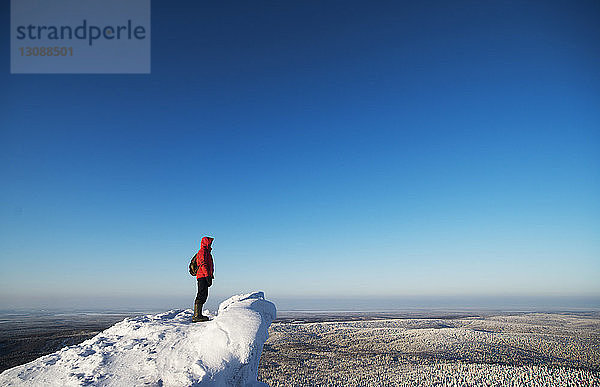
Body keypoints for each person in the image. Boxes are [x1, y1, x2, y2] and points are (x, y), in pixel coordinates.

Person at [193, 236, 214, 322]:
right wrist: (207, 276)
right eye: (209, 242)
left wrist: (210, 275)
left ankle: (198, 314)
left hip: (204, 275)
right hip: (202, 276)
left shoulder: (207, 252)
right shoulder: (202, 251)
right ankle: (197, 315)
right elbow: (203, 264)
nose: (211, 244)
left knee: (203, 294)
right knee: (201, 294)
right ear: (206, 243)